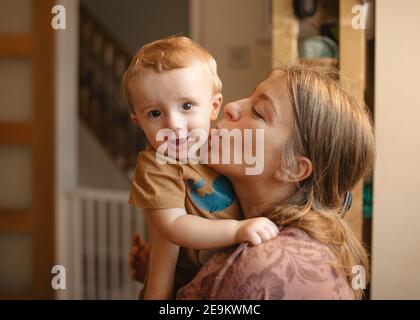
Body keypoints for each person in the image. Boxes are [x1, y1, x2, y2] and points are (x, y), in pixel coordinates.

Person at [130, 64, 375, 299]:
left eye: (258, 112)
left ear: (292, 167)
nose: (231, 106)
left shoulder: (264, 269)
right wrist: (163, 268)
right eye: (250, 96)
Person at [123, 36, 279, 299]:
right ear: (138, 122)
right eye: (154, 113)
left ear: (214, 106)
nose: (174, 124)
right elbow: (173, 227)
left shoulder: (224, 144)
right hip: (184, 286)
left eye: (187, 106)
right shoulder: (156, 165)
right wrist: (238, 230)